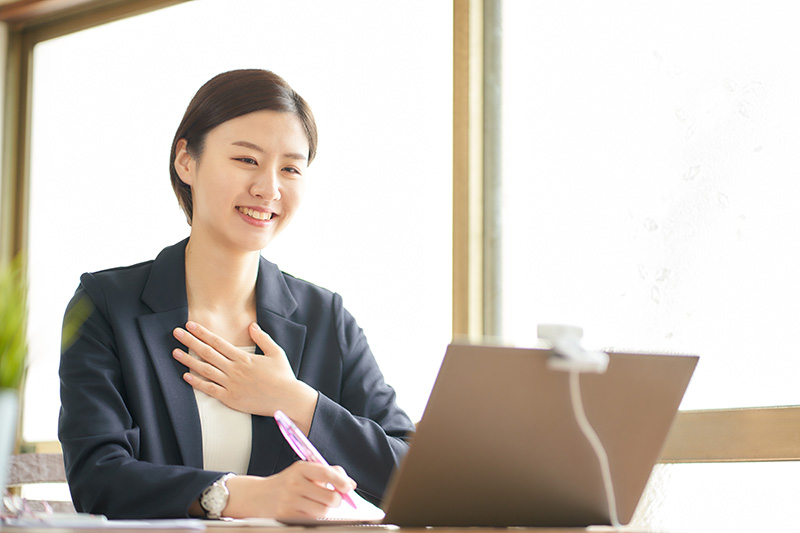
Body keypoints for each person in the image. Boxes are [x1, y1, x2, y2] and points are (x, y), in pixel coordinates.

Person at [58, 69, 415, 520]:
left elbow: (413, 472)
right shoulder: (107, 305)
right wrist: (240, 496)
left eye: (290, 168)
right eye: (247, 160)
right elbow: (97, 479)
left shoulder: (327, 318)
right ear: (186, 161)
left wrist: (294, 400)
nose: (269, 188)